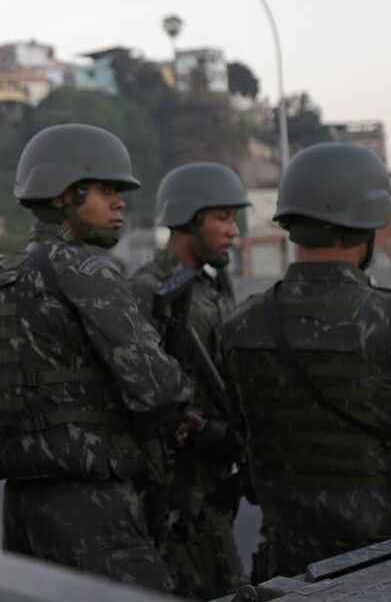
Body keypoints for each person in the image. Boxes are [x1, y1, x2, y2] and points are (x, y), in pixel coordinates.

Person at [0, 123, 193, 592]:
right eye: (107, 191)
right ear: (67, 195)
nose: (120, 203)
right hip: (91, 503)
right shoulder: (86, 270)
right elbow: (157, 388)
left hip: (24, 503)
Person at [220, 142, 391, 579]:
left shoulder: (240, 323)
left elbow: (244, 428)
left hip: (290, 567)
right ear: (368, 223)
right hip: (389, 565)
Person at [129, 162, 250, 598]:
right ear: (189, 220)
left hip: (214, 487)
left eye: (234, 218)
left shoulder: (213, 288)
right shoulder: (149, 290)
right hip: (176, 495)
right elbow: (138, 391)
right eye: (222, 218)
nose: (234, 231)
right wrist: (195, 426)